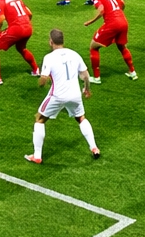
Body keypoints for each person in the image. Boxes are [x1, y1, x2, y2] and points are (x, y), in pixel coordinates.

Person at [28, 29, 99, 163]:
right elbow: (85, 75)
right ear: (63, 41)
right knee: (81, 118)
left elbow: (43, 79)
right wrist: (87, 89)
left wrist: (42, 83)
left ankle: (37, 156)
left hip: (57, 95)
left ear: (51, 42)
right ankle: (94, 147)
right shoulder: (74, 54)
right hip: (75, 94)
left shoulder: (49, 57)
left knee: (39, 119)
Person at [82, 0, 137, 82]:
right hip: (123, 21)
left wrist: (90, 21)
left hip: (112, 24)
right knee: (122, 47)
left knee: (93, 47)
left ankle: (97, 78)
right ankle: (132, 72)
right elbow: (122, 2)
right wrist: (118, 14)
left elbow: (101, 10)